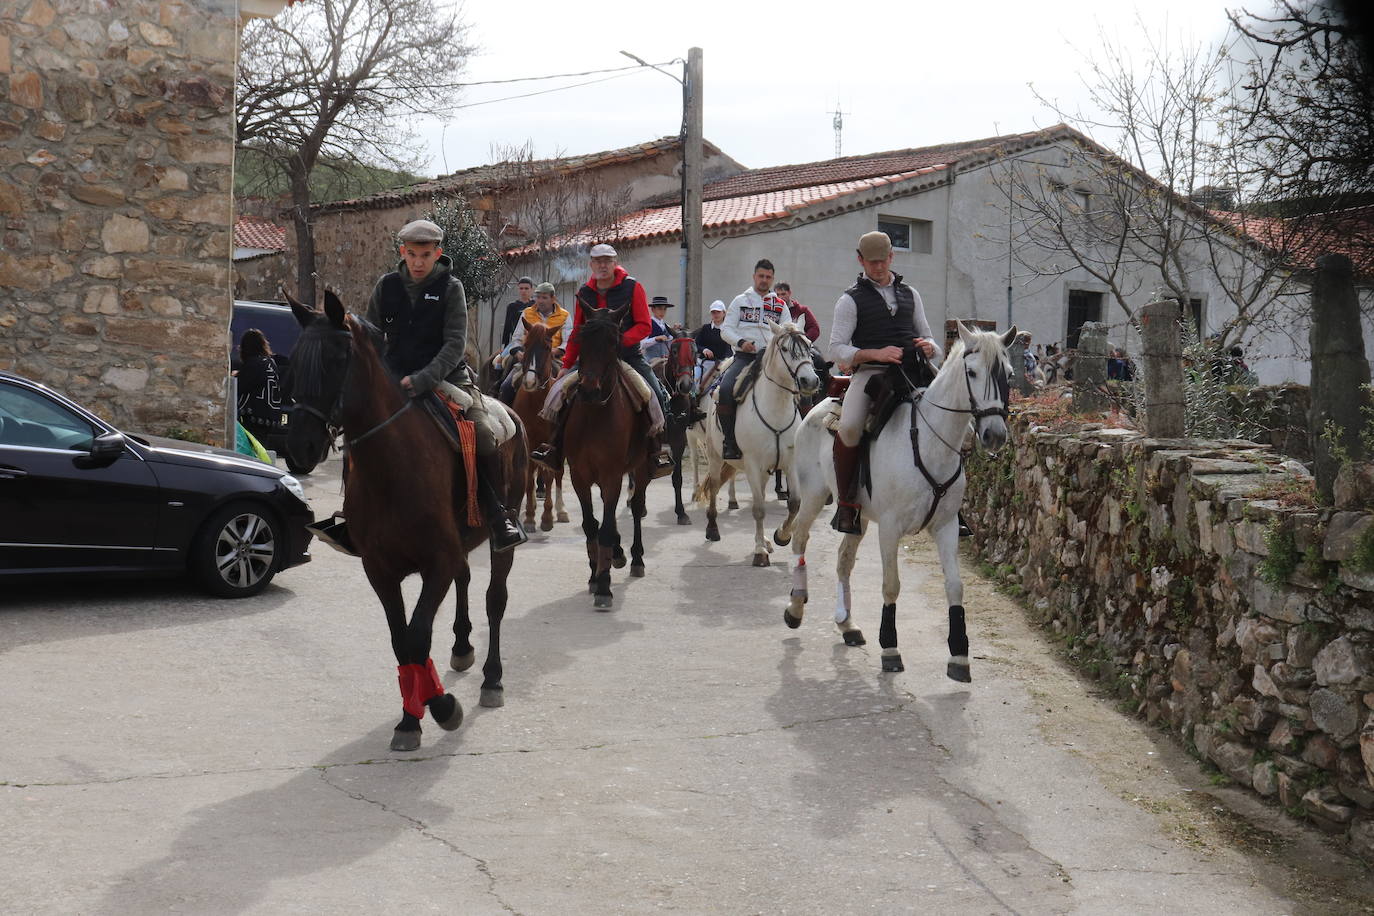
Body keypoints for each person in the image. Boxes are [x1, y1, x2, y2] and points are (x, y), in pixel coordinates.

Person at [367, 218, 526, 551]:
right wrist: (383, 377)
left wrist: (424, 378)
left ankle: (498, 515)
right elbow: (372, 336)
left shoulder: (451, 288)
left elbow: (455, 344)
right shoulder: (386, 286)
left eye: (425, 254)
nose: (419, 261)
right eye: (412, 254)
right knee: (361, 427)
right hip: (395, 379)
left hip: (447, 378)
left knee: (483, 434)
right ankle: (357, 512)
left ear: (438, 253)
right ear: (403, 252)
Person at [827, 230, 942, 534]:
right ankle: (847, 503)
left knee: (956, 422)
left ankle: (949, 504)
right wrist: (873, 352)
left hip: (913, 372)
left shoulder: (911, 294)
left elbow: (929, 335)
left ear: (892, 257)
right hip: (871, 375)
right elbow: (836, 348)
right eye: (872, 262)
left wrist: (931, 347)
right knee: (850, 426)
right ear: (860, 260)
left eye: (883, 261)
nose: (878, 267)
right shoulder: (849, 300)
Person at [530, 243, 674, 476]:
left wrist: (619, 342)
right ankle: (554, 448)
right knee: (556, 394)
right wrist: (566, 366)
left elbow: (644, 325)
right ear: (591, 265)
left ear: (615, 263)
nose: (603, 265)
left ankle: (656, 452)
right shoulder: (585, 292)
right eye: (598, 261)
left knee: (654, 393)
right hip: (591, 360)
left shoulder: (632, 287)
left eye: (607, 260)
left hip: (627, 356)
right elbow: (577, 331)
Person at [717, 258, 787, 459]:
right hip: (744, 358)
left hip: (772, 360)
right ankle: (729, 442)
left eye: (768, 277)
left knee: (801, 389)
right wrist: (740, 342)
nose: (764, 280)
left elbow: (788, 330)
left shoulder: (780, 305)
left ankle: (797, 440)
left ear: (773, 279)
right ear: (754, 277)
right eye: (761, 276)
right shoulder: (740, 301)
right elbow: (726, 329)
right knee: (726, 389)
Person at [498, 281, 570, 404]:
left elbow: (568, 340)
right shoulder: (527, 313)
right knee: (506, 387)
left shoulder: (564, 315)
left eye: (544, 297)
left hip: (554, 358)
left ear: (553, 298)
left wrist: (555, 351)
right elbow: (517, 338)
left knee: (567, 392)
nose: (540, 301)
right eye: (538, 297)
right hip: (529, 358)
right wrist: (518, 352)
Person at [234, 328, 287, 438]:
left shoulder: (253, 364)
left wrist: (234, 376)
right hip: (271, 419)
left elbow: (237, 387)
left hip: (254, 419)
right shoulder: (270, 363)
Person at [694, 300, 732, 387]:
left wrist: (724, 362)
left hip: (721, 365)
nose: (716, 315)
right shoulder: (705, 328)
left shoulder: (728, 330)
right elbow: (696, 344)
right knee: (693, 385)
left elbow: (729, 350)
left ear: (724, 313)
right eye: (713, 312)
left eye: (718, 312)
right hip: (703, 364)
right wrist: (704, 350)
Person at [498, 277, 535, 351]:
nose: (523, 291)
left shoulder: (536, 305)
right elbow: (507, 327)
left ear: (532, 289)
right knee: (500, 360)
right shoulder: (512, 306)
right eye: (521, 288)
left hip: (534, 341)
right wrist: (504, 345)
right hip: (516, 342)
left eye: (526, 288)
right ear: (518, 289)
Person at [640, 295, 675, 362]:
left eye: (665, 309)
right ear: (653, 309)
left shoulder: (667, 326)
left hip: (666, 360)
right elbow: (641, 344)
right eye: (659, 308)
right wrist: (655, 339)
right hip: (651, 361)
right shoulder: (648, 325)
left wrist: (675, 333)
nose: (662, 312)